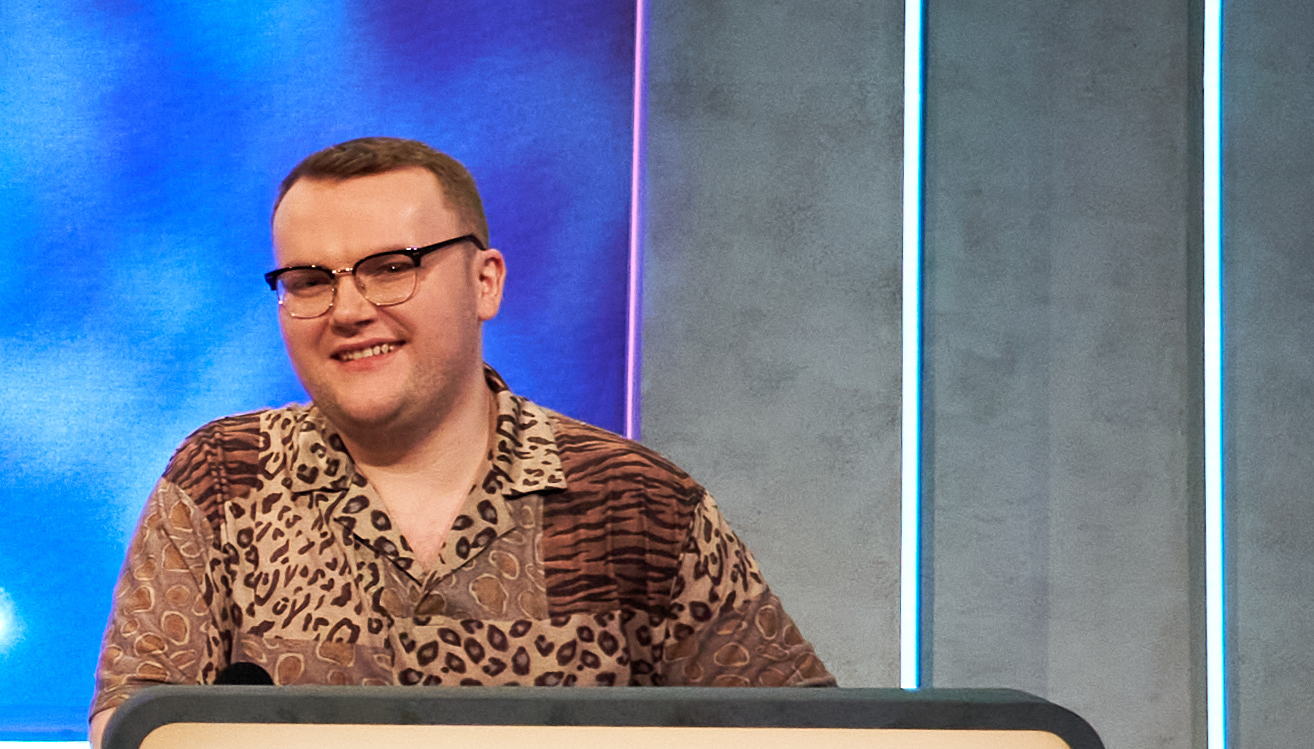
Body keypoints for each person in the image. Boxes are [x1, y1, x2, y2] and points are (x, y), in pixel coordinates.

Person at [93, 134, 829, 718]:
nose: (348, 309)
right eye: (311, 281)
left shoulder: (641, 506)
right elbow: (134, 744)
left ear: (486, 283)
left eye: (390, 267)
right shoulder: (224, 480)